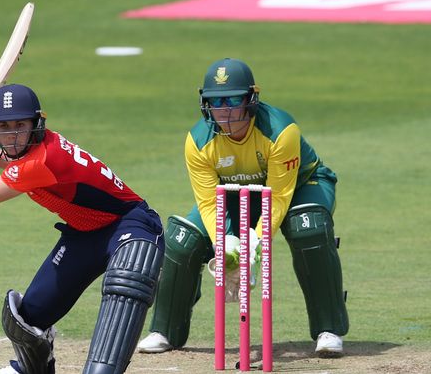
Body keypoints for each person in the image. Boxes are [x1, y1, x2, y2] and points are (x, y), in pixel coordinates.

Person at [0, 84, 165, 374]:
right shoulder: (39, 152)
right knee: (28, 319)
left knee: (124, 286)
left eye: (20, 125)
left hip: (131, 226)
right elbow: (22, 166)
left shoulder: (41, 159)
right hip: (86, 232)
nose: (13, 133)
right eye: (4, 126)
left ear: (36, 125)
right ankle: (31, 370)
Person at [136, 58, 349, 357]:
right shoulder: (197, 142)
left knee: (308, 227)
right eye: (215, 101)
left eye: (233, 99)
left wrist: (252, 247)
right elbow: (210, 202)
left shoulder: (280, 130)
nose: (224, 110)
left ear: (250, 100)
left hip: (300, 186)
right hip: (235, 196)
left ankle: (329, 328)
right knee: (183, 240)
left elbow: (278, 195)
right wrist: (228, 248)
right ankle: (165, 331)